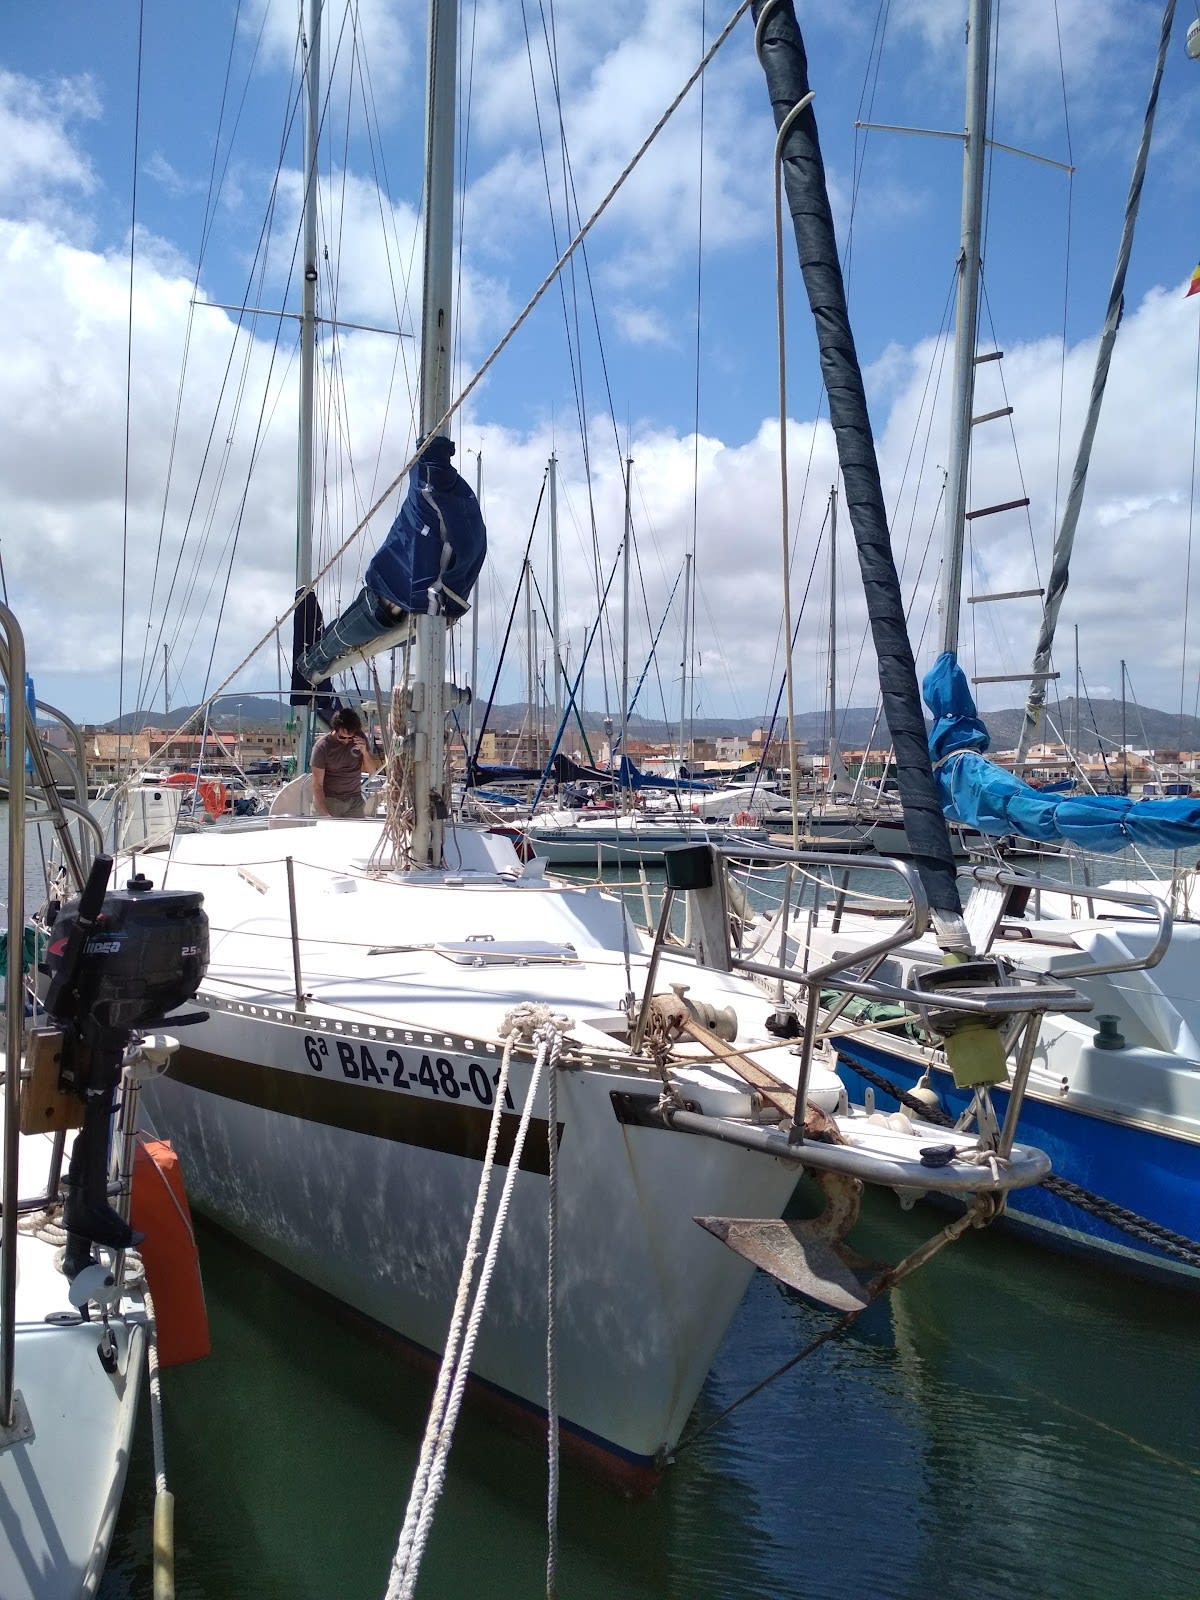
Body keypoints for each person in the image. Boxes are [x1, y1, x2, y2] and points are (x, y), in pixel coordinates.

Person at [299, 434, 487, 685]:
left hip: (393, 598)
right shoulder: (461, 503)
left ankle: (308, 665)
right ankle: (312, 663)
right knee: (354, 633)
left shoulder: (429, 487)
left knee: (340, 638)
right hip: (427, 606)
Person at [310, 708, 381, 818]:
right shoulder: (322, 747)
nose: (347, 741)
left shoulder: (360, 739)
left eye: (350, 737)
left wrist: (365, 752)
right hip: (329, 800)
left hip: (354, 801)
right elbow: (317, 785)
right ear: (335, 730)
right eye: (342, 737)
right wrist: (325, 814)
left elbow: (372, 771)